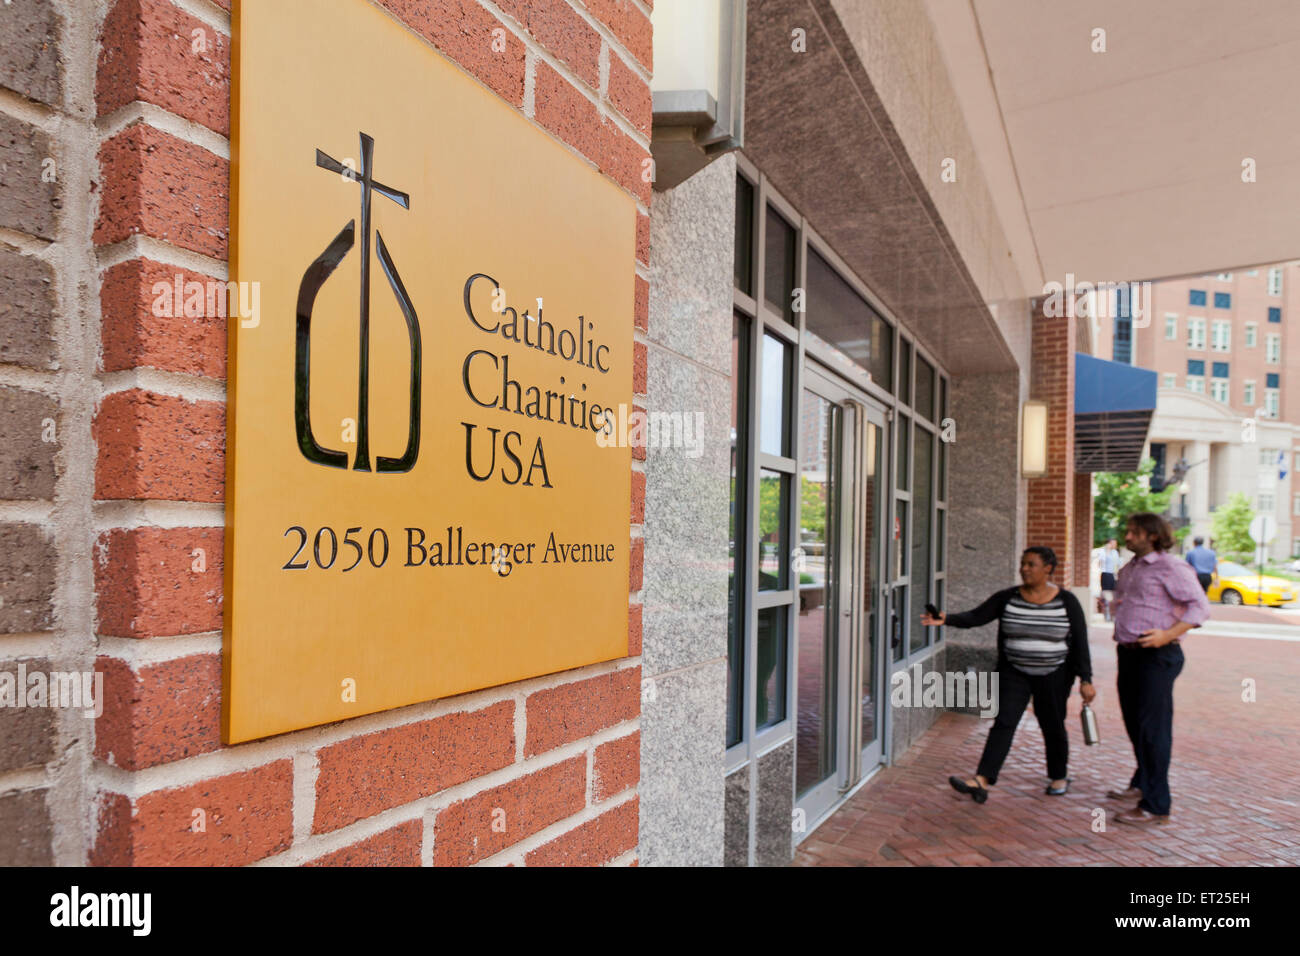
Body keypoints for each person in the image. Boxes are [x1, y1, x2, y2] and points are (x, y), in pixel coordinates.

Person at [922, 546, 1094, 803]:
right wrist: (946, 619)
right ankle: (982, 780)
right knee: (1003, 722)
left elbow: (1080, 642)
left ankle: (1059, 775)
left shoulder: (1067, 601)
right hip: (1015, 673)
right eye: (1022, 564)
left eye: (1031, 564)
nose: (1024, 569)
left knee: (1053, 724)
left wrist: (1086, 679)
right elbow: (976, 617)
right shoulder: (1008, 597)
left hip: (1054, 674)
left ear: (1048, 568)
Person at [1108, 512, 1211, 826]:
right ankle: (1142, 782)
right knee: (1135, 725)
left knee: (1154, 730)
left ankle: (1156, 805)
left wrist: (1167, 634)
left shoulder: (1172, 566)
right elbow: (1133, 601)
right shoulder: (1130, 568)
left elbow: (1200, 607)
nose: (1127, 537)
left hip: (1157, 656)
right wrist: (1113, 607)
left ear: (1151, 535)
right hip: (1129, 654)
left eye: (1133, 532)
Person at [1099, 538, 1120, 621]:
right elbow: (1101, 563)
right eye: (1113, 543)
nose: (1115, 545)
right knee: (1106, 595)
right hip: (1106, 574)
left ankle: (1113, 614)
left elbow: (1117, 564)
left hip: (1113, 575)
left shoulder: (1115, 552)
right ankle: (1106, 615)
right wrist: (1107, 551)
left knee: (1113, 595)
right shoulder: (1103, 552)